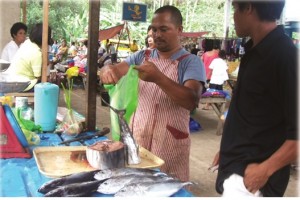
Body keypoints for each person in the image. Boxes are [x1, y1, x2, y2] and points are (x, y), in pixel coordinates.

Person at [99, 5, 206, 181]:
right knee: (134, 183)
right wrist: (106, 69)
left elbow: (191, 100)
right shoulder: (142, 56)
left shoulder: (191, 62)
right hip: (138, 137)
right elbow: (116, 71)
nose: (157, 35)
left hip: (169, 142)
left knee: (165, 185)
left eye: (164, 29)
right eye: (154, 29)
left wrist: (159, 78)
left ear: (179, 30)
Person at [210, 0, 298, 197]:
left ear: (248, 7)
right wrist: (228, 150)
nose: (233, 16)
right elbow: (252, 113)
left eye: (234, 8)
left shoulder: (285, 56)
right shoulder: (253, 50)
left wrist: (264, 170)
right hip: (237, 169)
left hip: (254, 181)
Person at [5, 23, 52, 91]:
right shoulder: (36, 53)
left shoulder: (28, 43)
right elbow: (39, 77)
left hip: (13, 81)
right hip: (22, 85)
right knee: (50, 89)